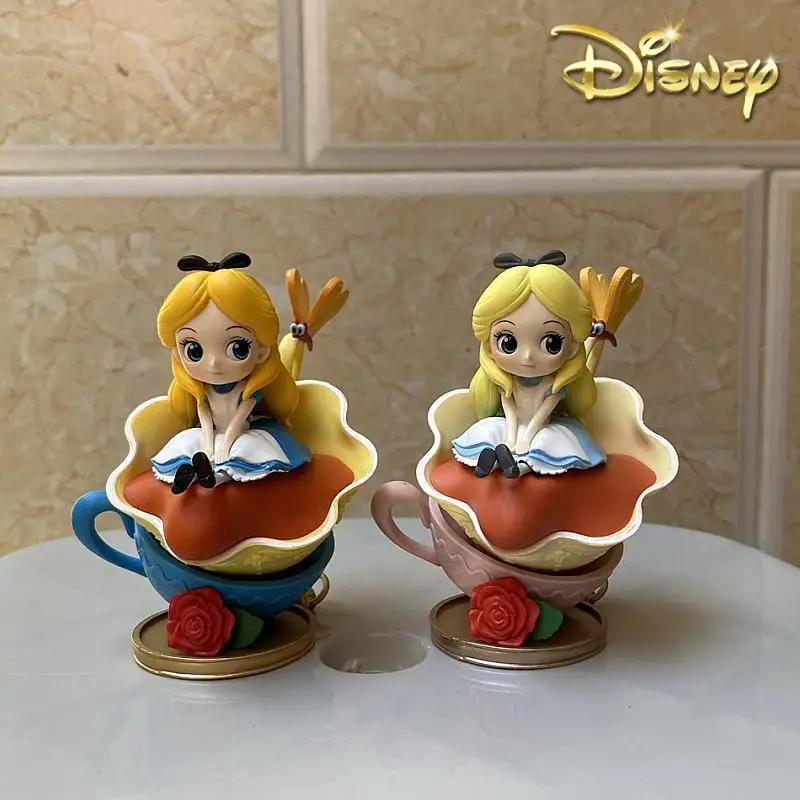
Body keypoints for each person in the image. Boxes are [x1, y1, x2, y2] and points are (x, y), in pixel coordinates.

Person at [150, 252, 311, 494]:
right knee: (188, 442)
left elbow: (239, 420)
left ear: (261, 351)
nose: (214, 363)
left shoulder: (246, 389)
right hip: (213, 435)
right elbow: (204, 416)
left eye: (238, 348)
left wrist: (224, 445)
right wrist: (207, 445)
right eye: (194, 350)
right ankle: (190, 474)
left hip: (241, 433)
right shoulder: (202, 390)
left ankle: (215, 477)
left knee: (242, 451)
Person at [452, 250, 606, 479]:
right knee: (491, 431)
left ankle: (518, 467)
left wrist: (525, 438)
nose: (527, 357)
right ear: (488, 347)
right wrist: (511, 437)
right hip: (511, 427)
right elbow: (509, 411)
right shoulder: (507, 383)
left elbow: (543, 414)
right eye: (508, 342)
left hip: (541, 428)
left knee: (545, 443)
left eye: (551, 343)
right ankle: (492, 459)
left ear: (572, 347)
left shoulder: (553, 385)